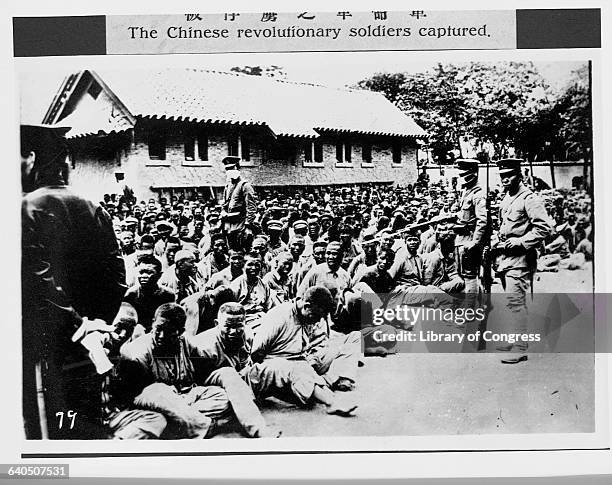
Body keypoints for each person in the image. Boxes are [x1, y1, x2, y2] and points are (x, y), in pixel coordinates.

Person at [21, 124, 126, 439]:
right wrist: (96, 322)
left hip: (46, 339)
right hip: (89, 342)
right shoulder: (93, 206)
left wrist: (75, 323)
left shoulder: (27, 207)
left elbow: (38, 279)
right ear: (65, 163)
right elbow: (116, 272)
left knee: (47, 428)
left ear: (34, 159)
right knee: (86, 423)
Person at [118, 304, 231, 438]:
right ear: (153, 323)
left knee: (221, 395)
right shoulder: (138, 351)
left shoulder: (186, 342)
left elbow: (203, 371)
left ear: (181, 331)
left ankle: (181, 419)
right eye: (158, 329)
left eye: (170, 331)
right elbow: (139, 395)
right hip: (155, 399)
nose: (161, 335)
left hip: (182, 398)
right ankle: (203, 425)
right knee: (158, 391)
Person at [249, 286, 358, 416]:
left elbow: (313, 344)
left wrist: (309, 360)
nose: (318, 320)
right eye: (316, 316)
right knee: (298, 371)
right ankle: (329, 401)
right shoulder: (280, 315)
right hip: (280, 366)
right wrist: (283, 370)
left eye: (321, 317)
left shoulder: (310, 315)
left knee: (355, 337)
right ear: (306, 305)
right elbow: (257, 353)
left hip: (305, 359)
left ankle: (319, 384)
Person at [191, 303, 281, 438]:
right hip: (210, 384)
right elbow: (198, 381)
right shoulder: (203, 345)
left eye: (239, 326)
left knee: (273, 368)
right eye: (228, 326)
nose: (234, 331)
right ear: (217, 323)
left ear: (245, 323)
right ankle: (257, 429)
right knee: (227, 374)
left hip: (237, 379)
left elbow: (245, 365)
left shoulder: (247, 335)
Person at [494, 159, 553, 364]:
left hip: (520, 258)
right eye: (502, 176)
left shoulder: (529, 198)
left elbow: (544, 228)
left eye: (509, 175)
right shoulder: (507, 198)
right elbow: (503, 227)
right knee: (512, 302)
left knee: (515, 302)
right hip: (505, 258)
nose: (504, 179)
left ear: (519, 175)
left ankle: (520, 348)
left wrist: (520, 241)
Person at [453, 159, 487, 295]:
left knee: (470, 276)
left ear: (473, 174)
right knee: (461, 274)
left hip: (470, 239)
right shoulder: (467, 191)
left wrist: (475, 241)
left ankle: (471, 309)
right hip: (461, 238)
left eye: (464, 175)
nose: (461, 178)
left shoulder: (478, 194)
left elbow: (482, 220)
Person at [123, 254, 176, 332]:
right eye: (141, 272)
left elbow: (169, 319)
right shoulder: (131, 294)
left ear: (159, 275)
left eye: (149, 272)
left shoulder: (168, 295)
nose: (144, 276)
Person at [230, 252, 275, 333]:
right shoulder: (236, 284)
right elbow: (232, 310)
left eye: (257, 265)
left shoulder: (264, 284)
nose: (254, 268)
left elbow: (268, 306)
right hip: (243, 320)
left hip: (262, 317)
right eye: (250, 264)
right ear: (243, 266)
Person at [221, 156, 257, 251]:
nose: (229, 171)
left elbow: (251, 207)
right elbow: (225, 204)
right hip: (229, 223)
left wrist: (248, 224)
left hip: (240, 223)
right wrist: (223, 212)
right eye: (227, 169)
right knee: (230, 248)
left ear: (238, 168)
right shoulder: (228, 186)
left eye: (232, 168)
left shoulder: (245, 186)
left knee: (242, 248)